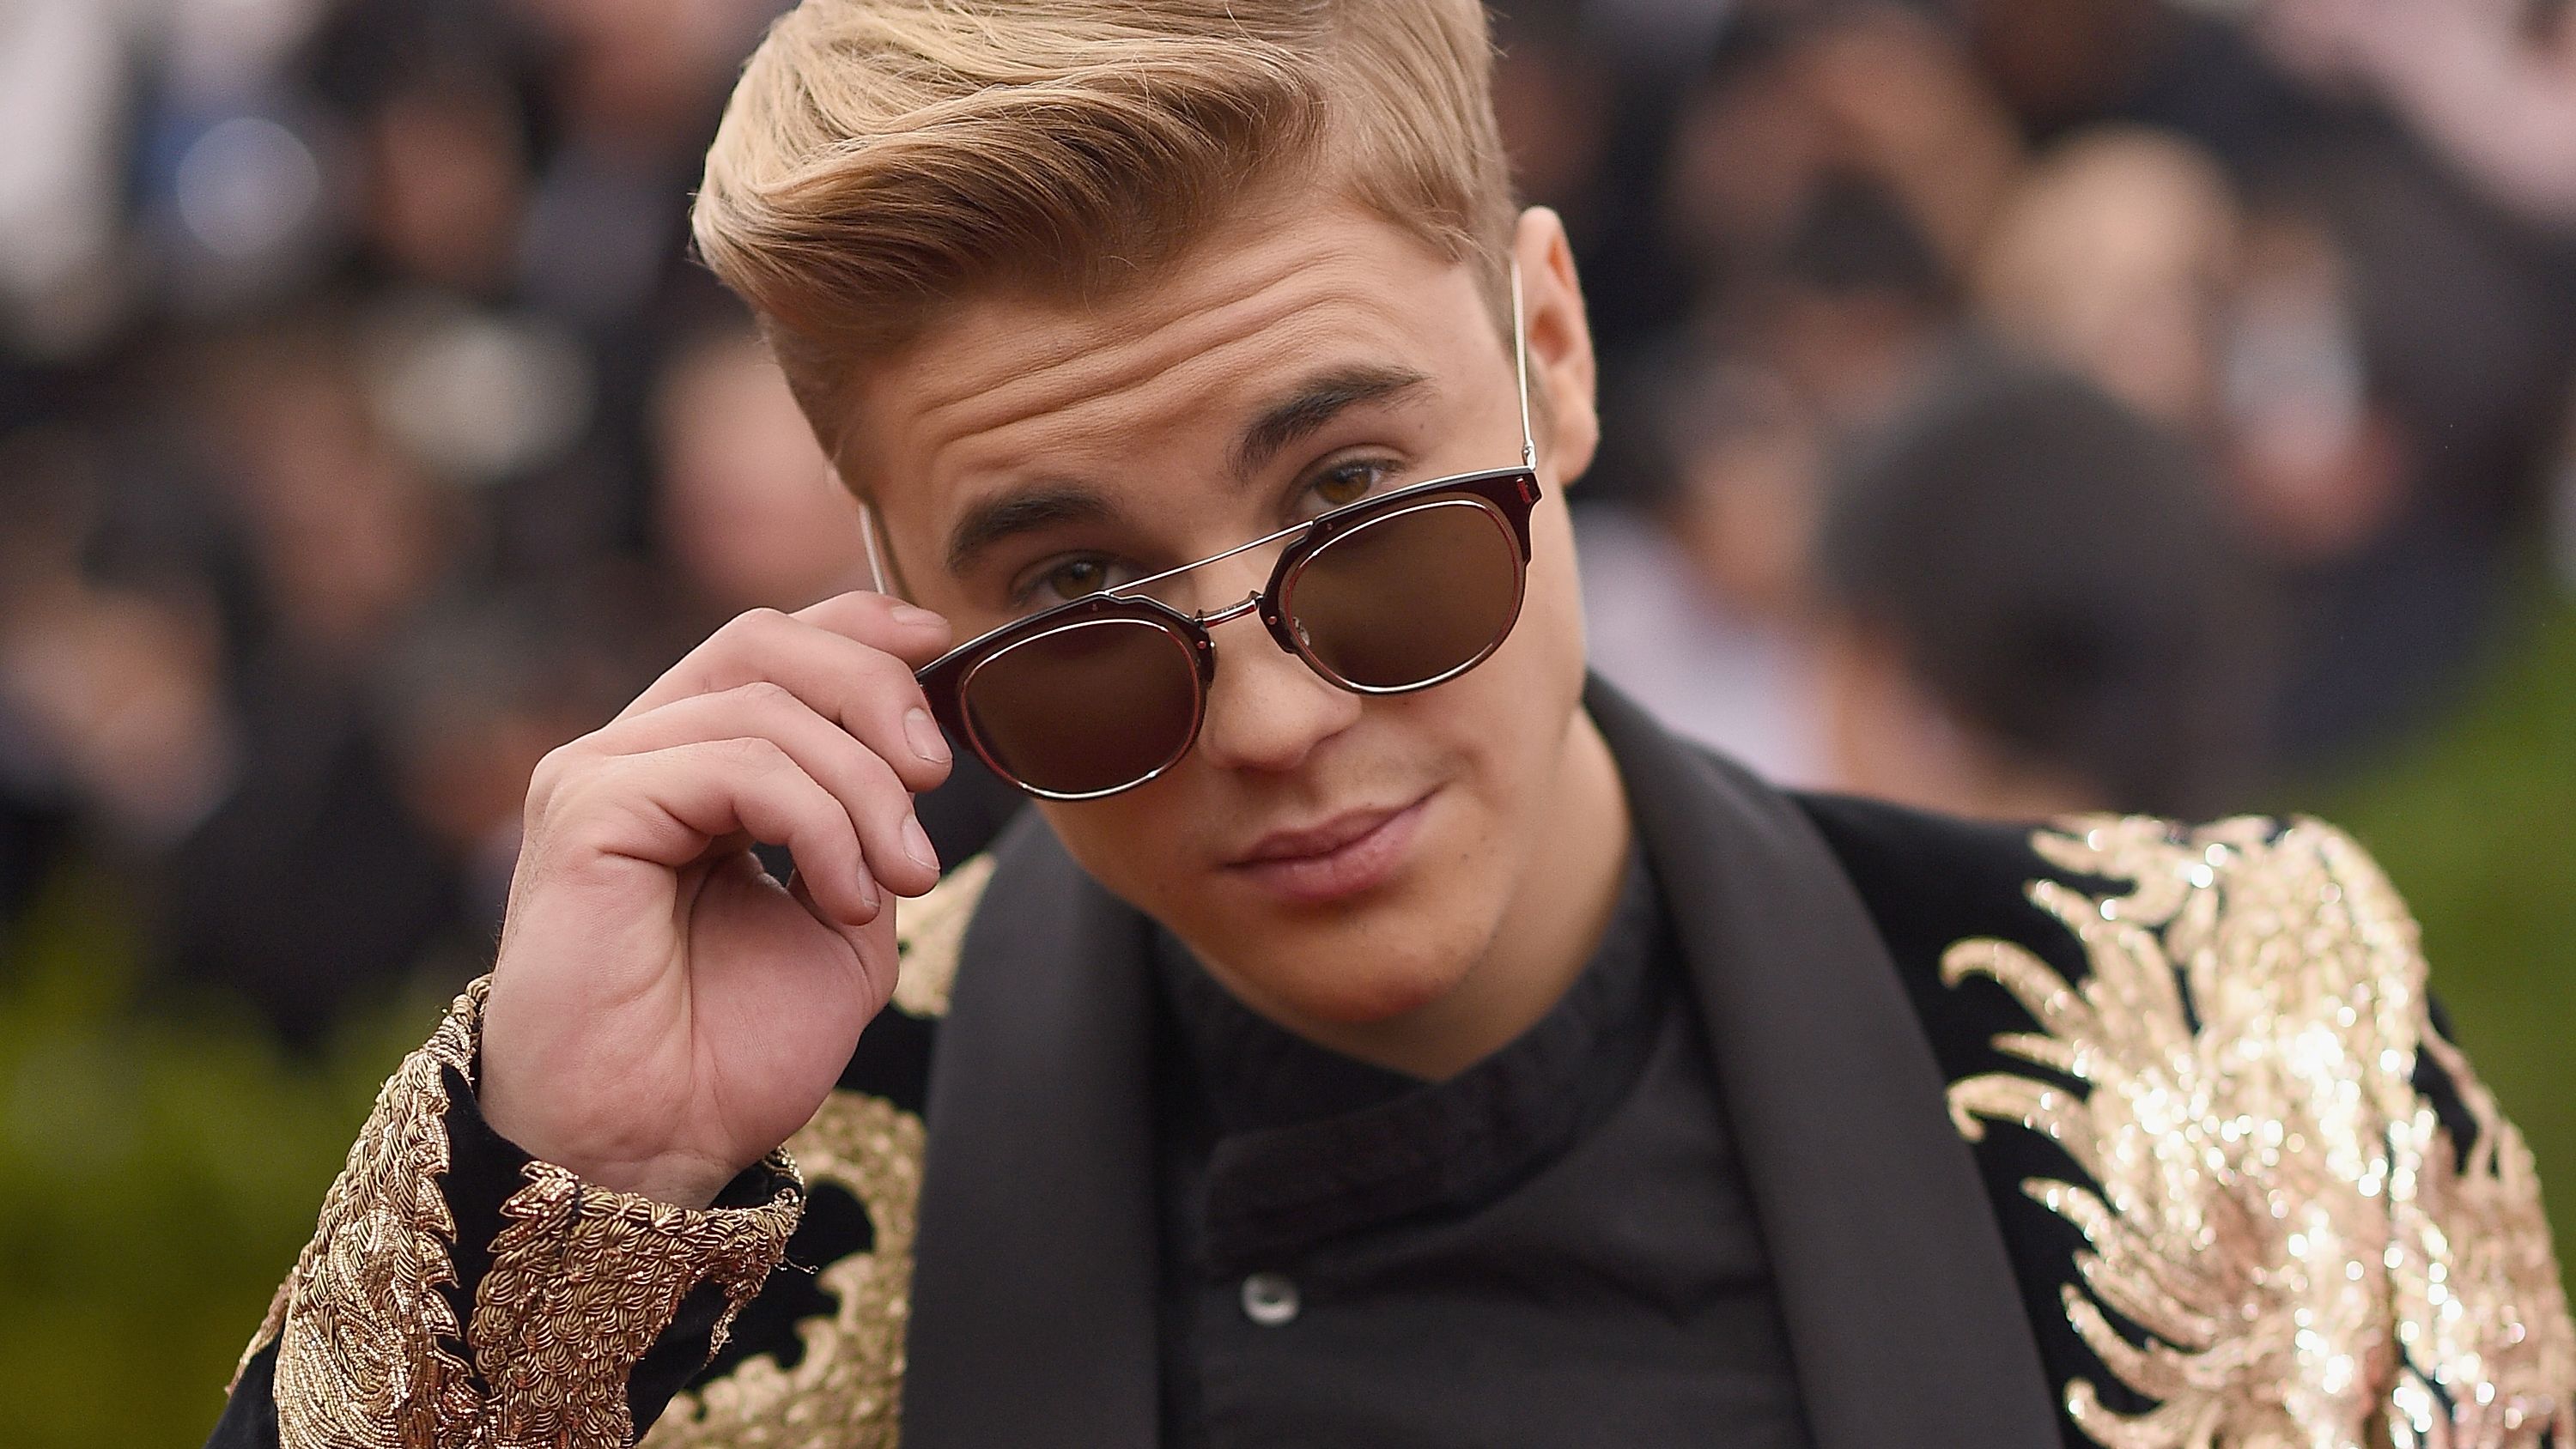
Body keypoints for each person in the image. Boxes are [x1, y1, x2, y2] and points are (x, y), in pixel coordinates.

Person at [210, 3, 2574, 1446]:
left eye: (1364, 514)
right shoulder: (711, 1231)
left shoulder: (2235, 1035)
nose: (1262, 717)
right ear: (888, 611)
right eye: (1078, 612)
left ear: (1554, 361)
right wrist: (541, 1226)